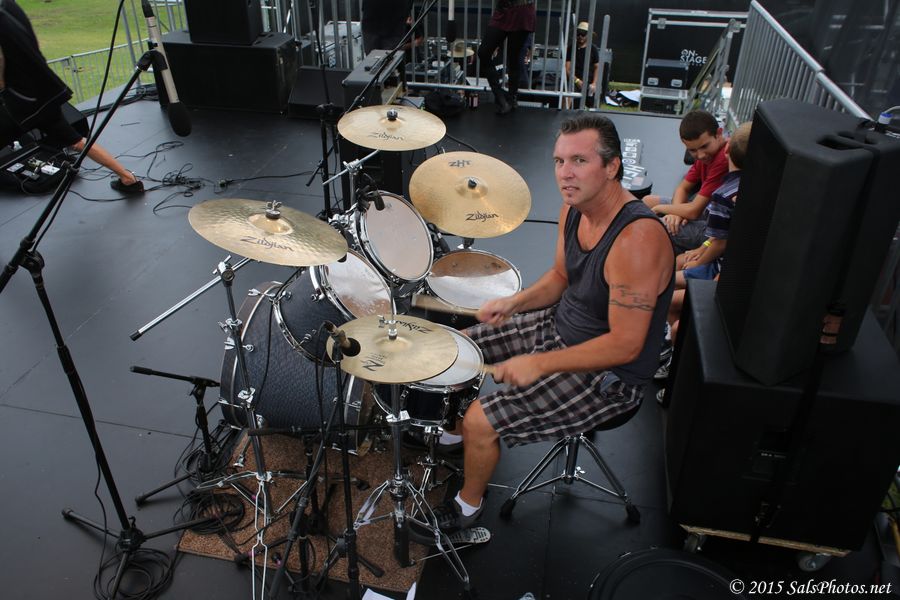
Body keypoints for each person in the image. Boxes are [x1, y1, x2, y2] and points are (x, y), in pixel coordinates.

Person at [413, 114, 675, 535]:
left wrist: (539, 363)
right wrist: (514, 303)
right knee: (458, 350)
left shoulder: (637, 240)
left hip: (610, 376)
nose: (565, 173)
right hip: (559, 325)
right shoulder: (574, 209)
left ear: (612, 167)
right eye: (559, 161)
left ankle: (467, 507)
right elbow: (559, 277)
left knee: (482, 418)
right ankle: (456, 436)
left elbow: (625, 345)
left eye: (579, 161)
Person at [0, 0, 143, 194]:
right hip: (43, 90)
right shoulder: (9, 6)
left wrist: (2, 86)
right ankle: (128, 178)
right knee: (76, 141)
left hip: (21, 100)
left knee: (74, 141)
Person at [675, 122, 751, 287]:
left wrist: (699, 262)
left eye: (704, 146)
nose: (700, 155)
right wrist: (702, 248)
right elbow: (718, 237)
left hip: (719, 265)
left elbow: (720, 242)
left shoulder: (723, 195)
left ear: (726, 148)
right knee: (681, 261)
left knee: (668, 283)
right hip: (724, 255)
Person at [642, 110, 727, 252]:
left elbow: (694, 211)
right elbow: (683, 188)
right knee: (647, 201)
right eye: (693, 150)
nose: (700, 155)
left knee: (653, 227)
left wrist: (661, 209)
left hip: (714, 229)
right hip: (704, 209)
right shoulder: (705, 157)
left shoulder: (723, 158)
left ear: (719, 133)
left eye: (705, 146)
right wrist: (675, 213)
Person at [477, 0, 536, 114]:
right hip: (503, 10)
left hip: (521, 11)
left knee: (514, 57)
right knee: (484, 53)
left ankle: (511, 98)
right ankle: (500, 96)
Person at [565, 21, 600, 107]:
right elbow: (567, 69)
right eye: (578, 33)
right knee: (567, 96)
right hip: (573, 81)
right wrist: (577, 80)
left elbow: (597, 67)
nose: (580, 36)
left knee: (593, 105)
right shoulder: (571, 48)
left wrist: (594, 83)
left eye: (583, 34)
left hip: (589, 83)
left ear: (588, 35)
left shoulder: (593, 49)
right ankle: (564, 113)